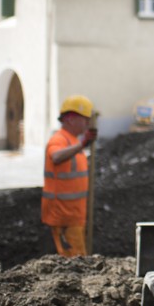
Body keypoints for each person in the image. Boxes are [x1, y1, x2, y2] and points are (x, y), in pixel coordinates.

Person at [42, 95, 98, 257]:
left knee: (79, 258)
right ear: (71, 119)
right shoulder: (59, 139)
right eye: (85, 119)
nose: (87, 123)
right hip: (64, 217)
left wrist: (82, 143)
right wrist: (82, 144)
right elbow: (56, 156)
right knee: (74, 262)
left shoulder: (72, 141)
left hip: (74, 215)